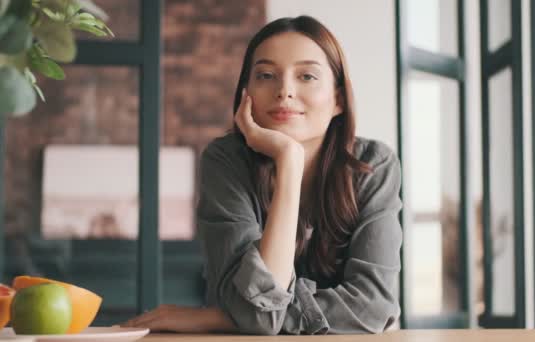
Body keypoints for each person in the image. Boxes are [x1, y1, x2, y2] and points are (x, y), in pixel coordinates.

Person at [121, 15, 403, 335]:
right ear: (246, 93)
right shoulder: (226, 161)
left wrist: (226, 317)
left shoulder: (373, 165)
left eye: (307, 76)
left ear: (338, 99)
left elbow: (374, 307)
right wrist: (289, 160)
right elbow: (257, 316)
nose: (284, 91)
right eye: (266, 75)